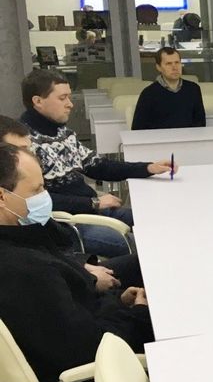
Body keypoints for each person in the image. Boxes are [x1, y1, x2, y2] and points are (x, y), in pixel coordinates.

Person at [0, 143, 153, 382]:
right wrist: (138, 313)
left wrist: (120, 302)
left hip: (91, 341)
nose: (45, 197)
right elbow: (89, 348)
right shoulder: (26, 270)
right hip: (97, 380)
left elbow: (75, 312)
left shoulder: (25, 240)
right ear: (3, 197)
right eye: (36, 190)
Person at [20, 70, 175, 256]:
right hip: (68, 225)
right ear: (38, 101)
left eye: (69, 97)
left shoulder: (62, 132)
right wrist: (93, 203)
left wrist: (148, 168)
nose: (70, 104)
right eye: (62, 98)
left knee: (160, 223)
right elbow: (33, 201)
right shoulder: (22, 143)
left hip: (91, 210)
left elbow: (98, 166)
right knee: (146, 246)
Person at [0, 114, 143, 288]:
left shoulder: (25, 211)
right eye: (20, 151)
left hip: (71, 268)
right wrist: (89, 278)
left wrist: (83, 265)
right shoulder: (13, 244)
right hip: (70, 281)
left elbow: (58, 250)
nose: (30, 155)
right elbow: (48, 279)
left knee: (144, 260)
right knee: (140, 251)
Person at [131, 47, 206, 130]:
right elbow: (138, 129)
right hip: (159, 137)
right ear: (158, 67)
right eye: (168, 64)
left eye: (177, 62)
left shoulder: (193, 89)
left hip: (189, 137)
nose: (174, 67)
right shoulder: (148, 94)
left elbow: (200, 123)